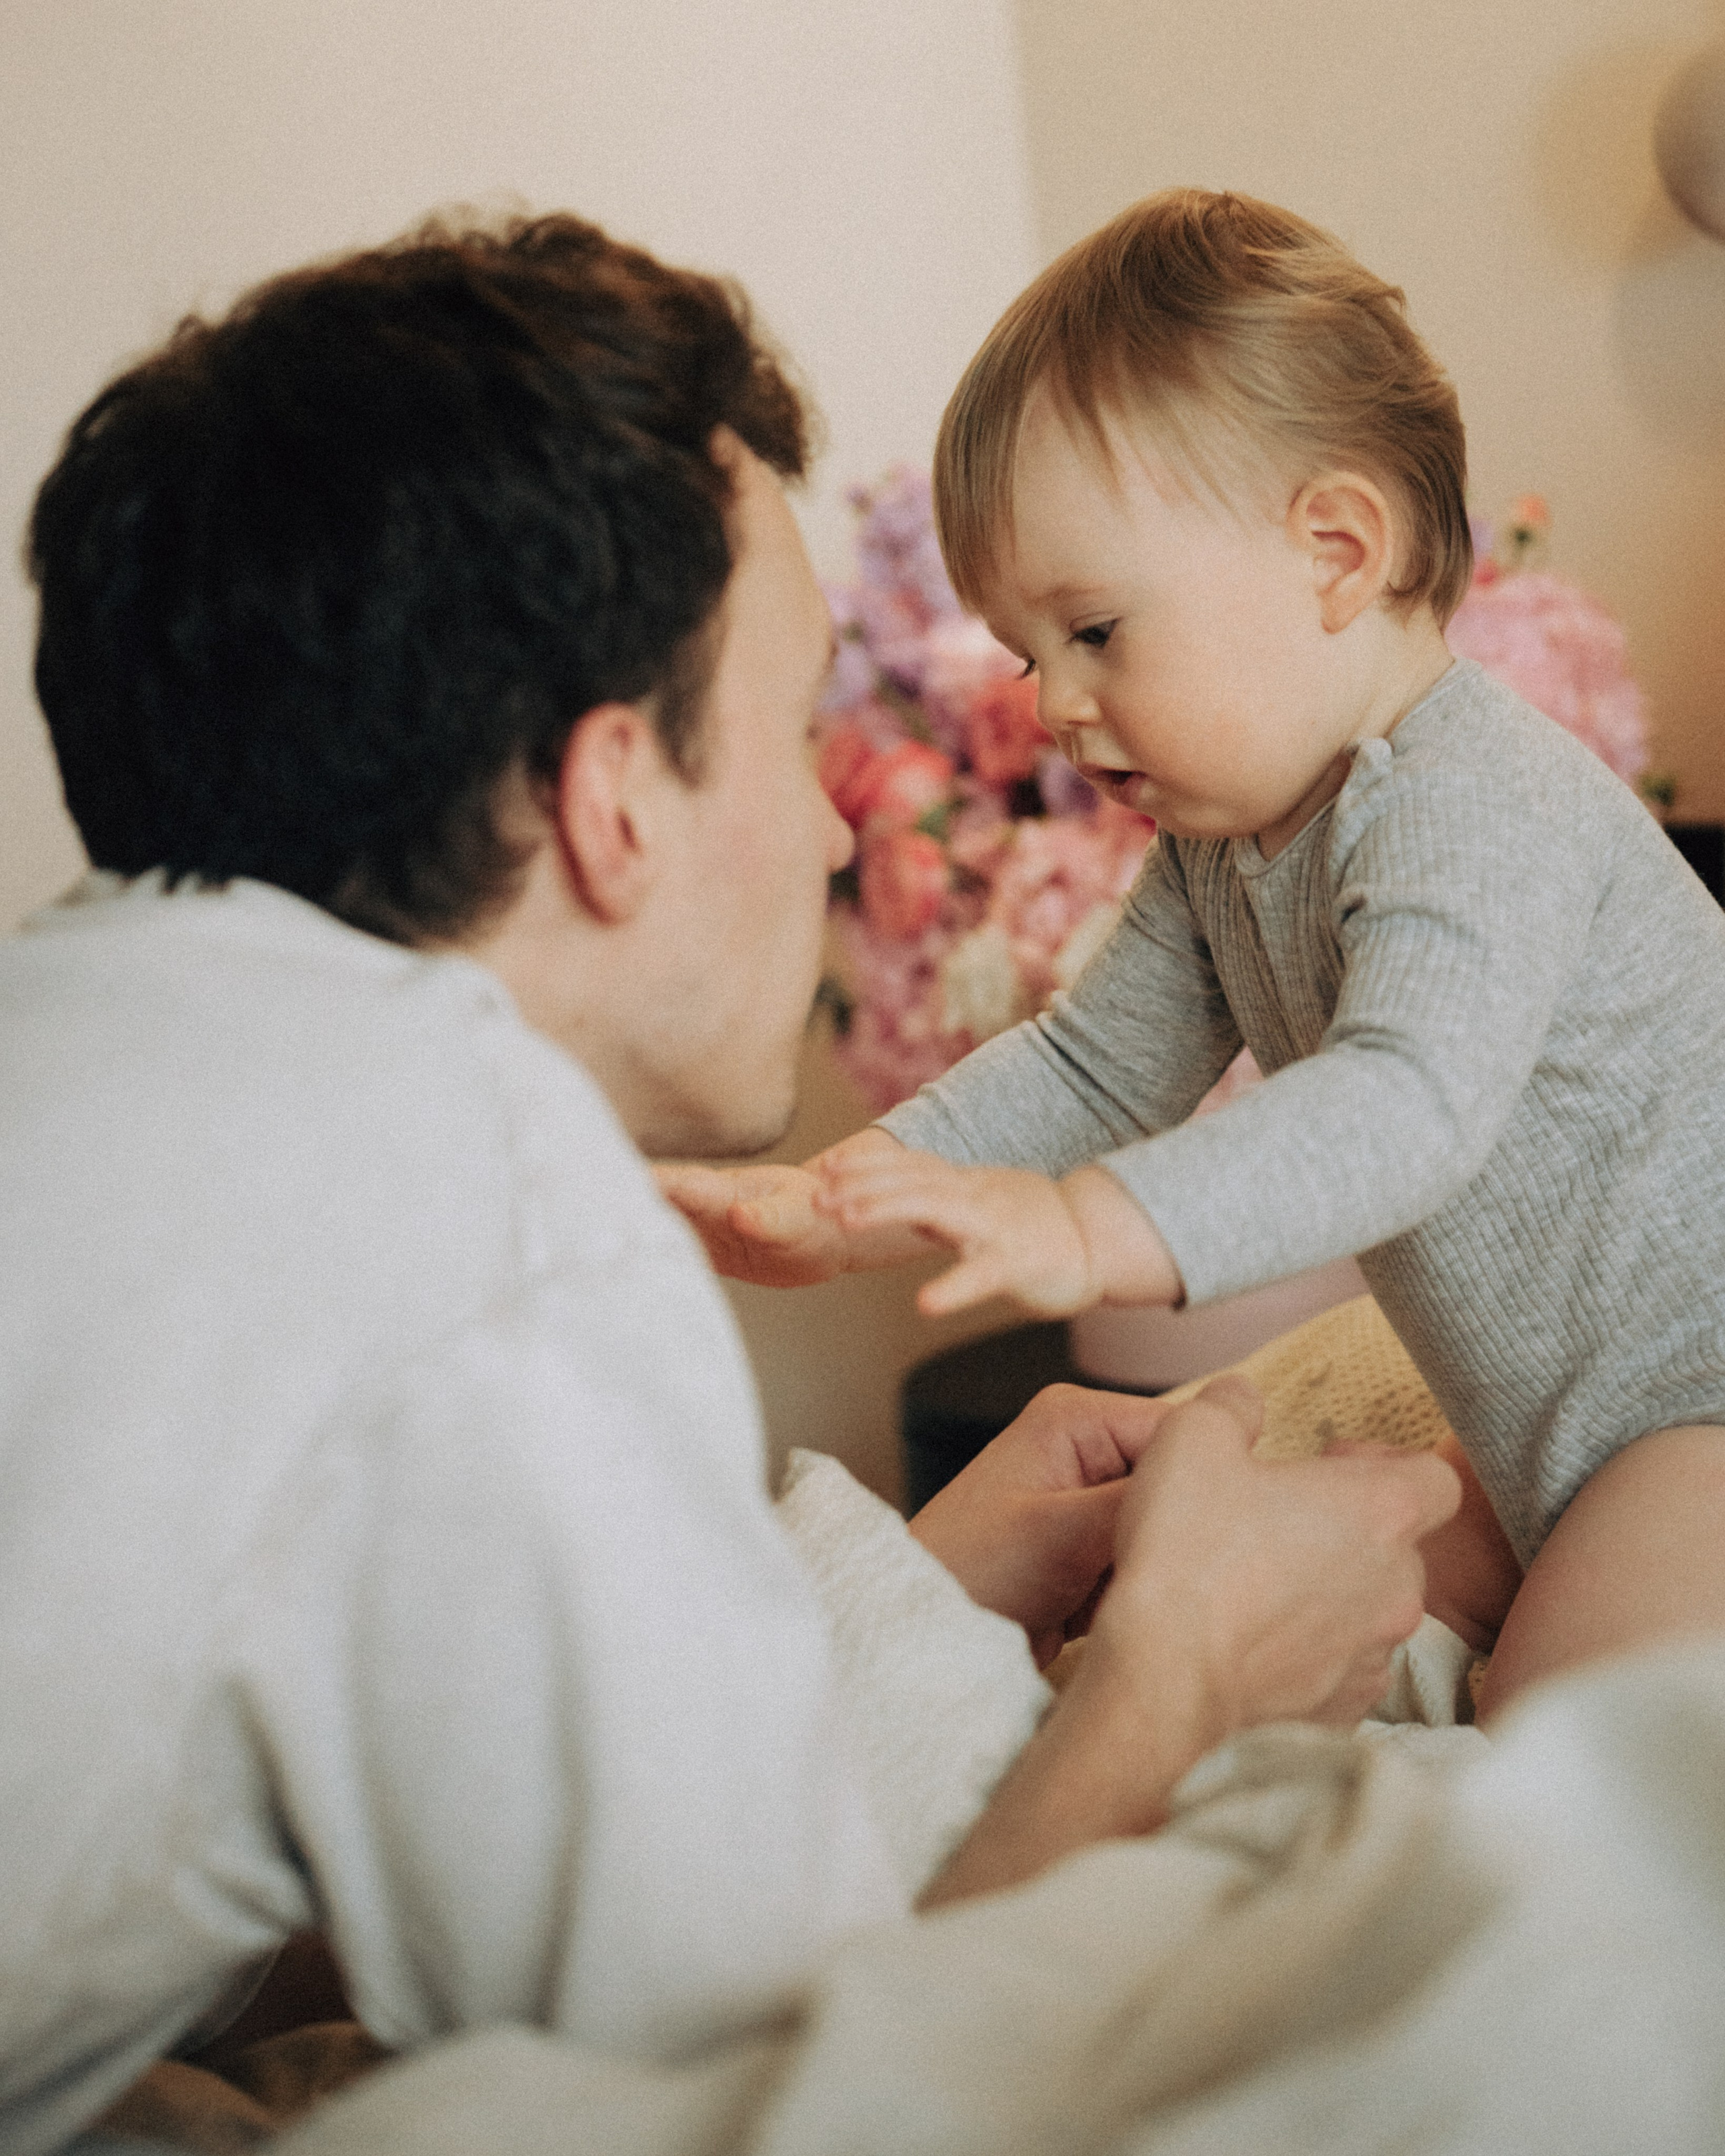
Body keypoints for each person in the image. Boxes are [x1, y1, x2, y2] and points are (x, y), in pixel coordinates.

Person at [1, 212, 1457, 2155]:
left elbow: (140, 1865)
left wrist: (902, 1598)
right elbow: (788, 2121)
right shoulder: (483, 1195)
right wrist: (1183, 1680)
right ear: (615, 803)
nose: (843, 822)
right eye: (791, 732)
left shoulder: (104, 1054)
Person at [660, 188, 1725, 1723]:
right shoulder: (1230, 845)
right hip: (1553, 1433)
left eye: (1092, 631)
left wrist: (1088, 1232)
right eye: (1030, 656)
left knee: (1555, 1756)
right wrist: (854, 1194)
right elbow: (1099, 1060)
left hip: (1698, 1407)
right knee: (1307, 1635)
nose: (1051, 705)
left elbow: (1402, 1109)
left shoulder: (1470, 802)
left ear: (1335, 554)